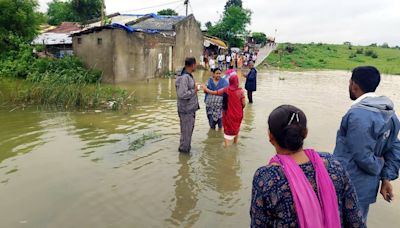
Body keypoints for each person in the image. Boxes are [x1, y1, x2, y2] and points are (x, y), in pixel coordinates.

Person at [250, 105, 365, 227]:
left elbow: (258, 224)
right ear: (305, 133)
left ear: (270, 136)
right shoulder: (333, 164)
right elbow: (355, 221)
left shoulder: (266, 177)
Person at [333, 66, 400, 222]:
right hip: (366, 188)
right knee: (359, 221)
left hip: (348, 185)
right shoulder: (389, 113)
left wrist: (380, 167)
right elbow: (394, 147)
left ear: (354, 84)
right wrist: (386, 177)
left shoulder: (358, 114)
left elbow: (362, 155)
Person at [203, 74, 245, 147]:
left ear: (230, 81)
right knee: (236, 129)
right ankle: (235, 144)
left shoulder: (226, 90)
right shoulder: (241, 91)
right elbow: (244, 104)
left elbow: (215, 92)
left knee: (227, 132)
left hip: (228, 115)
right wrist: (238, 110)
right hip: (238, 115)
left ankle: (226, 148)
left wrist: (205, 89)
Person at [175, 57, 200, 153]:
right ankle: (184, 157)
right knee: (186, 134)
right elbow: (182, 94)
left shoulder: (187, 76)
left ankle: (185, 154)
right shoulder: (184, 77)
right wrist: (195, 90)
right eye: (196, 64)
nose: (196, 66)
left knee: (187, 133)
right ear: (193, 65)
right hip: (186, 110)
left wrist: (193, 87)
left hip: (189, 109)